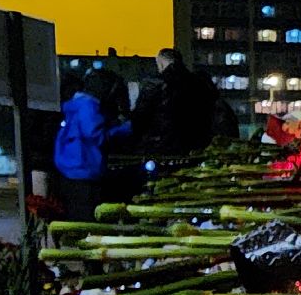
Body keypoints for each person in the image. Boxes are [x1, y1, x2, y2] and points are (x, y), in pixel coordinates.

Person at [54, 71, 133, 220]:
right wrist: (124, 129)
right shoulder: (89, 105)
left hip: (71, 169)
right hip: (85, 170)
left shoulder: (75, 104)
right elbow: (95, 135)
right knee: (88, 217)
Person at [132, 48, 215, 155]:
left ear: (161, 63)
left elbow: (140, 118)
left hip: (162, 147)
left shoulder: (156, 84)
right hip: (195, 146)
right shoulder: (200, 84)